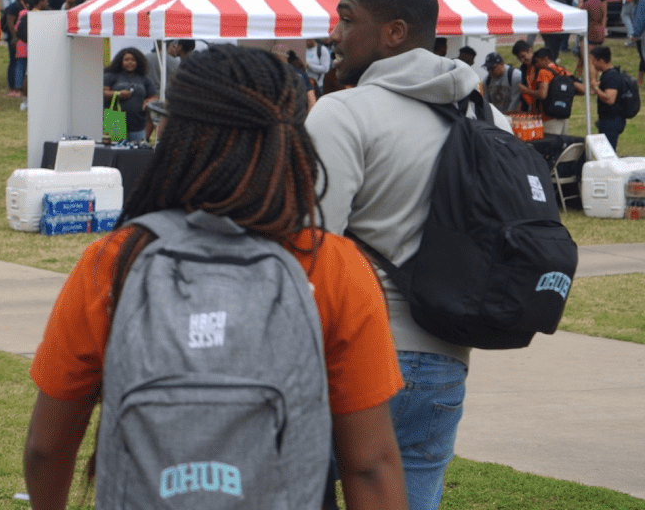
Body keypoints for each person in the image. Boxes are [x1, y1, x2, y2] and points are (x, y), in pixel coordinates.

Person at [25, 46, 407, 510]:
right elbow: (368, 465)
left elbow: (47, 447)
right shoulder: (333, 266)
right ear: (290, 140)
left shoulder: (116, 261)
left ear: (176, 134)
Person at [305, 0, 511, 510]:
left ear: (394, 32)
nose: (334, 33)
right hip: (446, 360)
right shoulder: (492, 120)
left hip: (352, 356)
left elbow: (312, 250)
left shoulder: (343, 113)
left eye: (346, 19)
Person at [521, 48, 581, 136]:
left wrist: (526, 91)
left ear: (545, 59)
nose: (536, 65)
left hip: (548, 118)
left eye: (537, 61)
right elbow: (582, 90)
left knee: (550, 146)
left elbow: (542, 94)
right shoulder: (562, 70)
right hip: (563, 116)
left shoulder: (544, 72)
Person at [103, 47, 157, 142]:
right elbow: (102, 93)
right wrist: (118, 94)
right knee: (117, 150)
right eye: (126, 60)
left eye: (133, 60)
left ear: (138, 62)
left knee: (137, 153)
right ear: (120, 61)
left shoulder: (144, 79)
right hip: (115, 122)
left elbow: (154, 96)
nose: (130, 62)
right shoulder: (111, 76)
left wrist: (149, 101)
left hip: (138, 124)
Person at [588, 46, 630, 150]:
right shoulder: (608, 75)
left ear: (601, 61)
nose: (592, 63)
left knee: (608, 153)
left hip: (612, 120)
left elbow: (610, 99)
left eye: (593, 60)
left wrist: (595, 87)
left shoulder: (611, 76)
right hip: (609, 119)